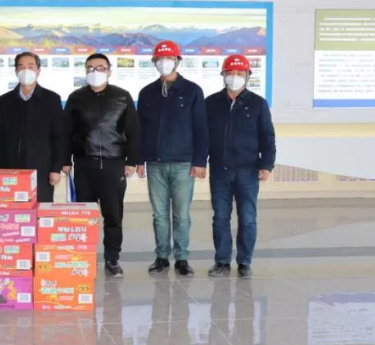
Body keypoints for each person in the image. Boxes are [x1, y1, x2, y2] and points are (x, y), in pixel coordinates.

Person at [63, 53, 141, 278]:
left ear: (109, 71)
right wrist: (65, 160)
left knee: (113, 216)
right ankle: (83, 258)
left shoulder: (122, 97)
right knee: (83, 217)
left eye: (100, 67)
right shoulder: (76, 97)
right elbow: (66, 132)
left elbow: (134, 130)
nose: (95, 72)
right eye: (90, 68)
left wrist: (132, 160)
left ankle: (112, 259)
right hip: (84, 164)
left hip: (113, 164)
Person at [137, 40, 208, 277]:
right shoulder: (147, 93)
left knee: (181, 215)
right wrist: (139, 159)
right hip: (155, 164)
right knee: (159, 215)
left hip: (183, 164)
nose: (164, 62)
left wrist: (200, 161)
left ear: (178, 61)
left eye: (169, 58)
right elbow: (140, 129)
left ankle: (182, 258)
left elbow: (201, 128)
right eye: (160, 59)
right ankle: (161, 257)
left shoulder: (192, 91)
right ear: (154, 62)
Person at [205, 54, 276, 279]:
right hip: (220, 171)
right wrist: (199, 162)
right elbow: (202, 136)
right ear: (223, 75)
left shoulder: (258, 104)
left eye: (240, 73)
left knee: (248, 219)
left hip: (248, 171)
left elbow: (267, 136)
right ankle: (222, 261)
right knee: (220, 218)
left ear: (247, 76)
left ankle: (245, 262)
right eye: (230, 72)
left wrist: (267, 164)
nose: (234, 77)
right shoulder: (211, 103)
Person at [0, 52, 65, 202]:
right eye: (21, 67)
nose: (26, 71)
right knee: (12, 210)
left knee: (40, 210)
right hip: (10, 170)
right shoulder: (4, 101)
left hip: (42, 170)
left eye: (31, 66)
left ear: (38, 70)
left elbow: (59, 137)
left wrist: (55, 168)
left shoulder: (51, 99)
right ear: (16, 71)